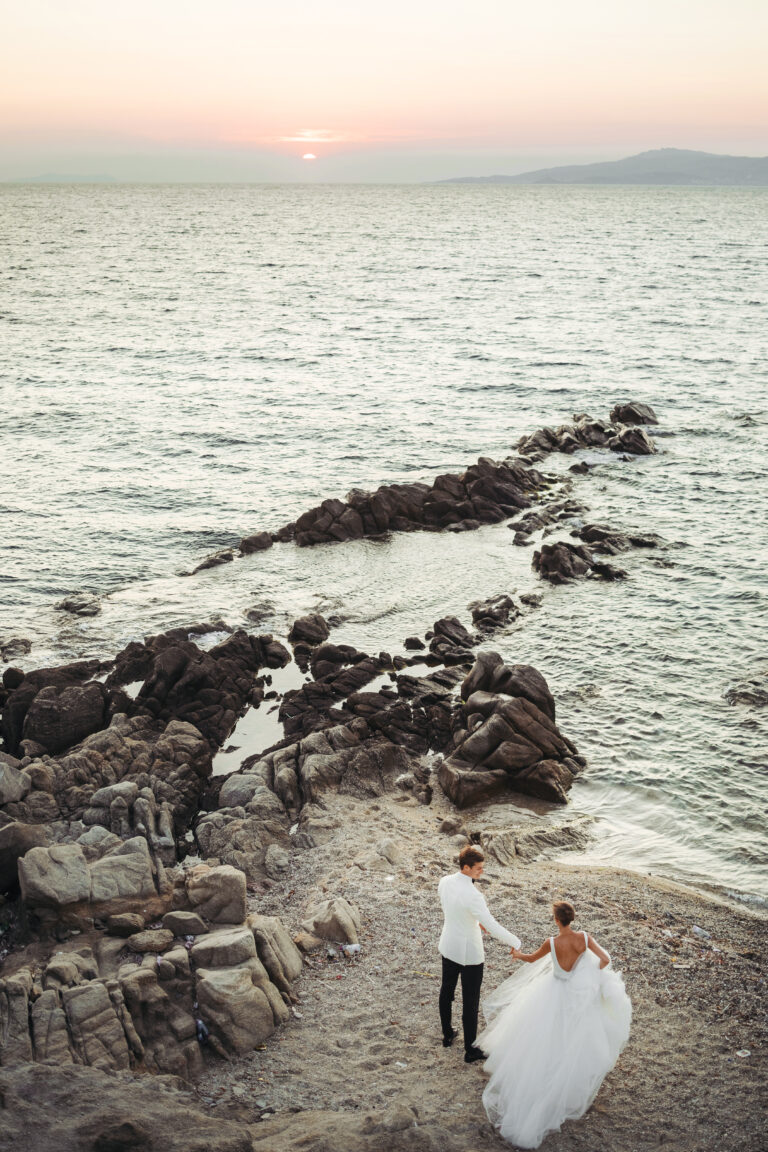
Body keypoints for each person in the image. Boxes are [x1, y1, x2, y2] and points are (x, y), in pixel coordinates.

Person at [477, 900, 632, 1148]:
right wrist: (589, 973)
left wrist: (516, 954)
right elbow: (604, 959)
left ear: (556, 920)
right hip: (578, 995)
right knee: (576, 1036)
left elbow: (530, 959)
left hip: (555, 993)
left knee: (544, 1033)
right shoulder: (584, 937)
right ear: (571, 918)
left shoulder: (551, 943)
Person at [437, 845, 521, 1063]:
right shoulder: (474, 896)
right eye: (479, 868)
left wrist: (470, 919)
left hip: (448, 945)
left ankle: (447, 1034)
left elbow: (449, 907)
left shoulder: (445, 882)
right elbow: (491, 925)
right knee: (470, 1001)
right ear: (466, 867)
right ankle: (470, 1050)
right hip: (470, 955)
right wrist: (515, 941)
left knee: (446, 991)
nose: (482, 871)